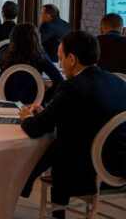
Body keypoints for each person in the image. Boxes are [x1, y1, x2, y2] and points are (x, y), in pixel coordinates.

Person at [19, 31, 126, 216]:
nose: (60, 64)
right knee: (67, 136)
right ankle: (26, 185)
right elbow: (89, 118)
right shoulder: (117, 82)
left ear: (72, 59)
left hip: (87, 173)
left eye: (61, 58)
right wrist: (50, 113)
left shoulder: (73, 87)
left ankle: (24, 187)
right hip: (120, 166)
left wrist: (27, 117)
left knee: (59, 144)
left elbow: (36, 129)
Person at [0, 23, 64, 104]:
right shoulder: (40, 56)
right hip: (32, 102)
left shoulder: (5, 53)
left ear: (13, 38)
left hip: (2, 99)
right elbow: (60, 81)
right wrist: (43, 96)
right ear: (36, 39)